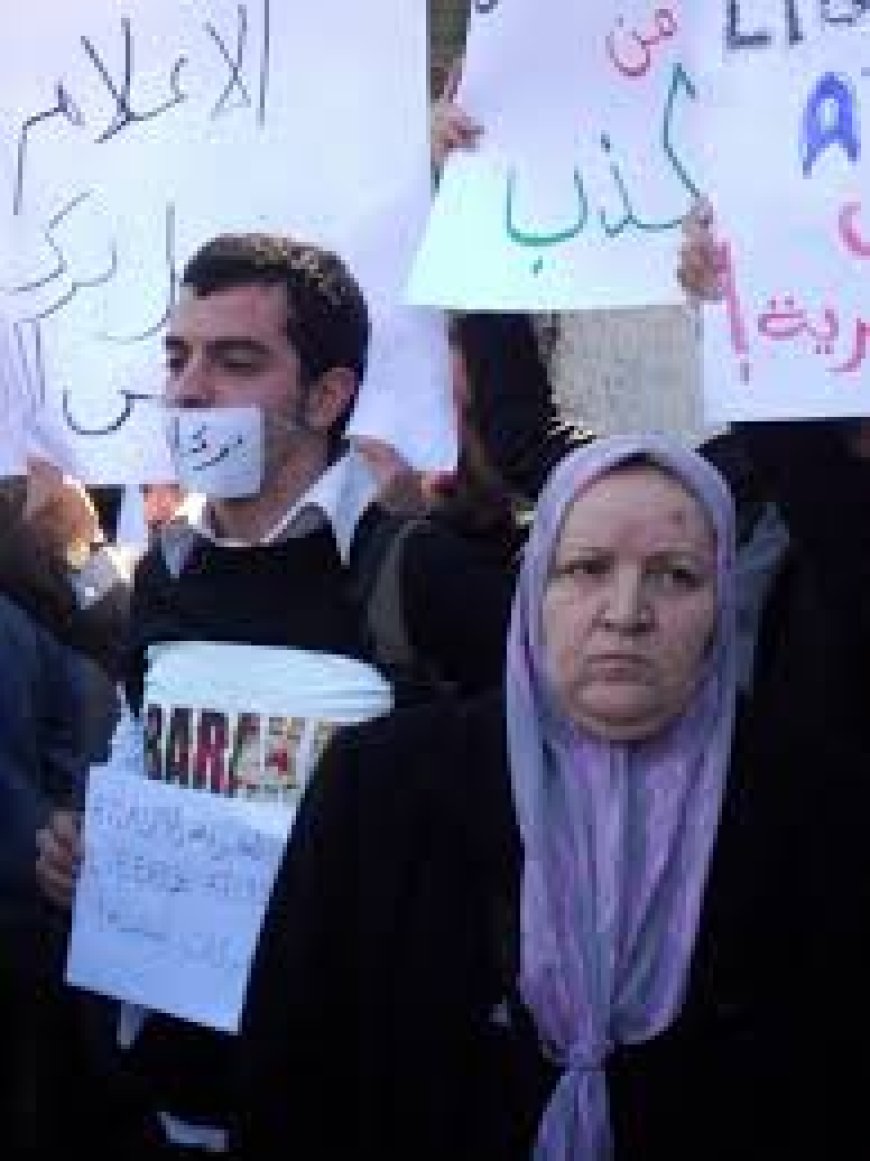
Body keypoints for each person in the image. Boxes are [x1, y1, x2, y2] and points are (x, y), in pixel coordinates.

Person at [34, 231, 515, 1156]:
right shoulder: (168, 575)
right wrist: (88, 851)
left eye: (235, 360)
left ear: (328, 395)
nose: (188, 390)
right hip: (178, 1099)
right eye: (178, 357)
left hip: (363, 1105)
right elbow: (144, 765)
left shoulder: (419, 575)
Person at [239, 434, 743, 1158]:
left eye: (676, 575)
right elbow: (290, 1075)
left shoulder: (811, 809)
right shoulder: (382, 785)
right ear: (535, 589)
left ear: (723, 600)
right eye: (588, 568)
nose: (626, 612)